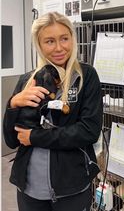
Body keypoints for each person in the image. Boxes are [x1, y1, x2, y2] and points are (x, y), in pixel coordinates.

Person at [3, 12, 103, 211]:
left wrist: (35, 137)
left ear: (72, 39)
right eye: (49, 41)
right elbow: (12, 140)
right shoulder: (27, 80)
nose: (59, 48)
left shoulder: (86, 76)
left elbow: (89, 131)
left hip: (71, 186)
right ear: (39, 45)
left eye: (64, 39)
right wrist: (13, 104)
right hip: (29, 188)